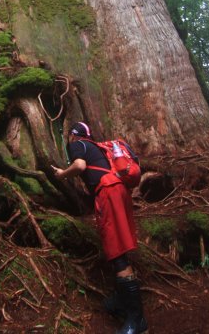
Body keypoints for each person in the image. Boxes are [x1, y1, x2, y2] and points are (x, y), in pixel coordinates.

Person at [52, 121, 147, 334]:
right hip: (118, 190)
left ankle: (137, 320)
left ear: (73, 135)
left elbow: (79, 167)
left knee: (117, 251)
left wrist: (61, 174)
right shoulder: (97, 147)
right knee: (118, 244)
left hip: (108, 193)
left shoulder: (77, 145)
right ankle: (122, 300)